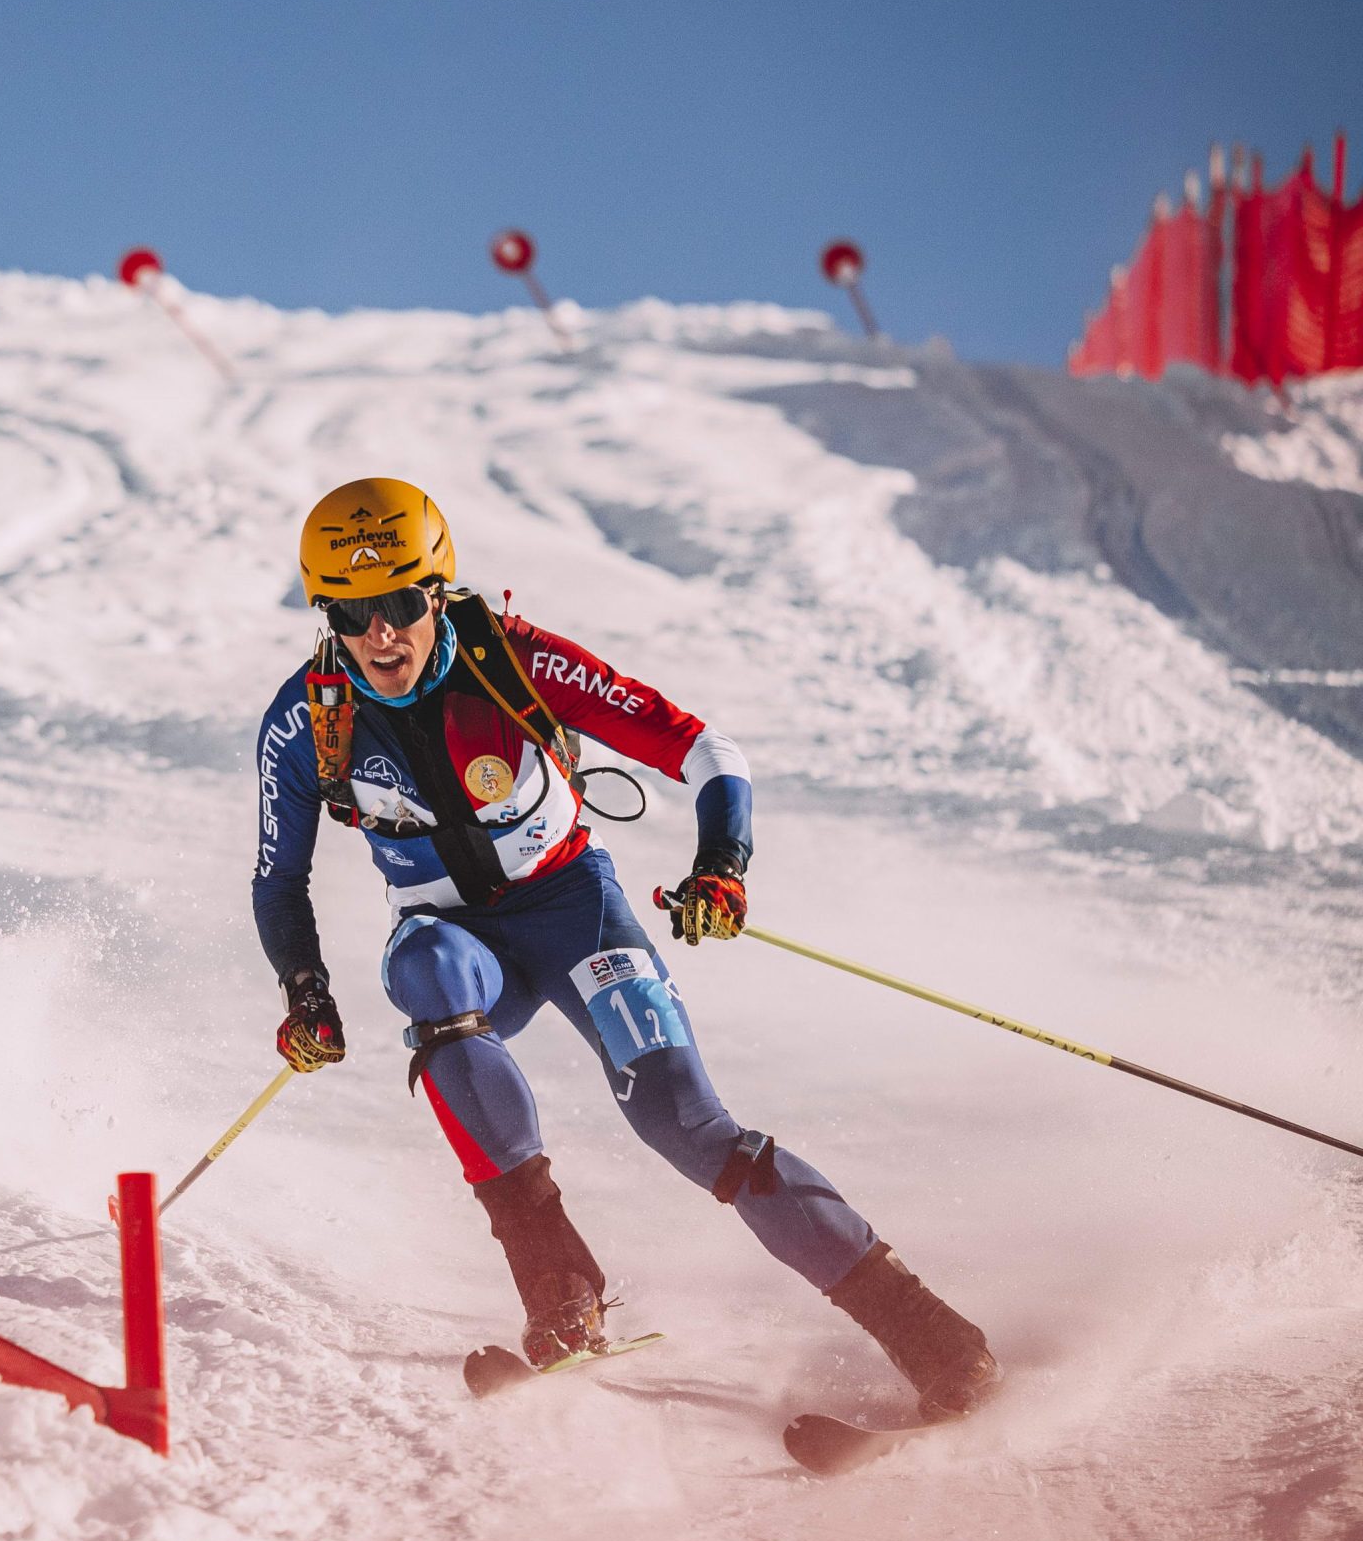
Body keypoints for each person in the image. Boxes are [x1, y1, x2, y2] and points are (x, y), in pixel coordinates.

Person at [250, 476, 1000, 1416]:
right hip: (458, 937)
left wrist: (721, 864)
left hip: (574, 908)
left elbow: (705, 749)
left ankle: (932, 1334)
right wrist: (305, 993)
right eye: (352, 610)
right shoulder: (302, 719)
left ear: (436, 593)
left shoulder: (512, 663)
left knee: (687, 1127)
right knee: (426, 970)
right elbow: (278, 879)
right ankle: (560, 1296)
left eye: (400, 603)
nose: (380, 634)